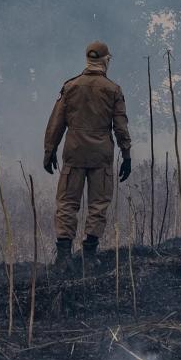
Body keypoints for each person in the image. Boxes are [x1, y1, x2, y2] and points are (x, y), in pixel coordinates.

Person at [43, 40, 132, 270]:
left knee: (67, 202)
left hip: (74, 153)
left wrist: (49, 150)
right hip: (100, 156)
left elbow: (56, 122)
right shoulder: (113, 90)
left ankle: (63, 257)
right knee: (98, 204)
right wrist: (127, 154)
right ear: (106, 60)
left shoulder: (70, 87)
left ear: (88, 60)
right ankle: (89, 255)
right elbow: (120, 127)